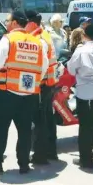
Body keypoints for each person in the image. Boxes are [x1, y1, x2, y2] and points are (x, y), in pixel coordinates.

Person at [0, 11, 48, 175]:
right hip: (28, 95)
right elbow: (44, 66)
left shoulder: (8, 39)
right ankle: (24, 165)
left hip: (7, 93)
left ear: (16, 22)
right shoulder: (38, 43)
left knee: (0, 129)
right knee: (25, 131)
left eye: (8, 20)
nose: (7, 23)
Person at [67, 24, 93, 169]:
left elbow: (71, 70)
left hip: (86, 96)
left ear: (84, 35)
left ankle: (87, 161)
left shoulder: (80, 51)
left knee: (86, 129)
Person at [24, 10, 59, 165]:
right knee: (47, 118)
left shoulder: (39, 39)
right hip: (49, 83)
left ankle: (40, 155)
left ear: (31, 23)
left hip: (42, 84)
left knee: (40, 121)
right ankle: (50, 152)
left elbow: (43, 64)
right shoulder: (44, 35)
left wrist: (35, 81)